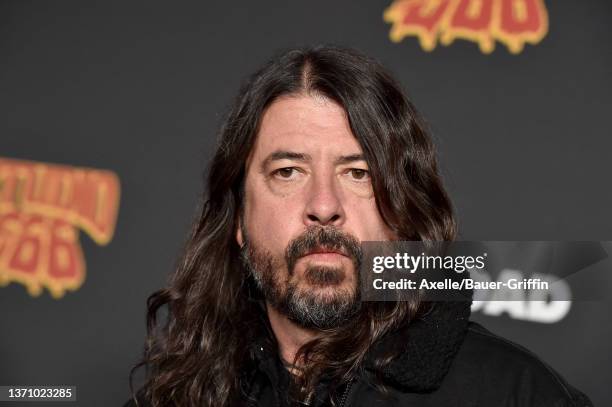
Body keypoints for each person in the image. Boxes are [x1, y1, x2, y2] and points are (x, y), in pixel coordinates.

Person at [124, 45, 592, 407]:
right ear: (239, 218)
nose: (324, 205)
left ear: (402, 209)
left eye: (358, 173)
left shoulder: (515, 394)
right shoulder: (173, 399)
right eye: (288, 171)